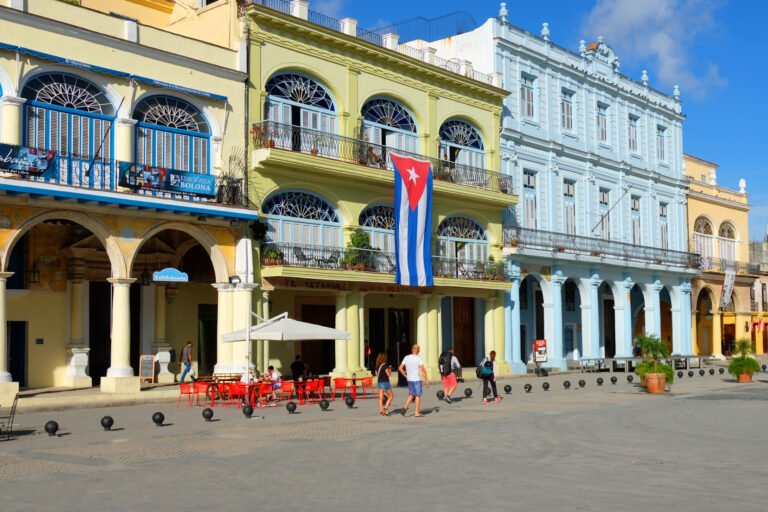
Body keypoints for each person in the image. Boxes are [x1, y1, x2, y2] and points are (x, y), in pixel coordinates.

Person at [398, 344, 429, 418]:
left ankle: (404, 408)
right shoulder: (418, 359)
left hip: (409, 380)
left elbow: (400, 368)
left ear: (412, 350)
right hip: (416, 380)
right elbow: (423, 370)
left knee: (411, 394)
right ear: (418, 351)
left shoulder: (406, 357)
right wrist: (426, 380)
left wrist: (406, 375)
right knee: (418, 395)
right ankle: (416, 412)